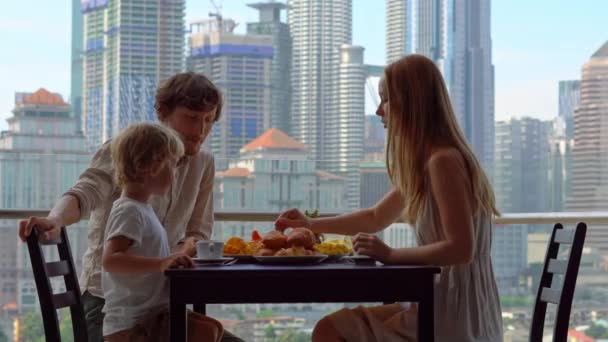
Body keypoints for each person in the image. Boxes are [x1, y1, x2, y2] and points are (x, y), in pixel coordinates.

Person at [275, 55, 503, 342]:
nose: (379, 110)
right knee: (328, 328)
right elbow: (375, 218)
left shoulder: (442, 161)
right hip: (444, 300)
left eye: (386, 100)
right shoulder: (430, 161)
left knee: (329, 331)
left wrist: (390, 255)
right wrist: (311, 224)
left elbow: (461, 249)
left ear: (413, 104)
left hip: (454, 315)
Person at [19, 72, 243, 341]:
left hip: (160, 305)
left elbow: (198, 231)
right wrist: (55, 220)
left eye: (209, 120)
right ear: (162, 112)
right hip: (107, 307)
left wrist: (186, 248)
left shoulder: (203, 163)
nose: (201, 130)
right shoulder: (130, 150)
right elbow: (86, 191)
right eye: (192, 118)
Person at [102, 122, 223, 341]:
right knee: (205, 332)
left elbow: (152, 258)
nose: (176, 173)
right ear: (151, 165)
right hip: (134, 327)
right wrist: (160, 264)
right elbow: (111, 260)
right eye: (174, 164)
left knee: (208, 330)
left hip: (151, 318)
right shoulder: (129, 210)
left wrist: (178, 256)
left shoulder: (142, 210)